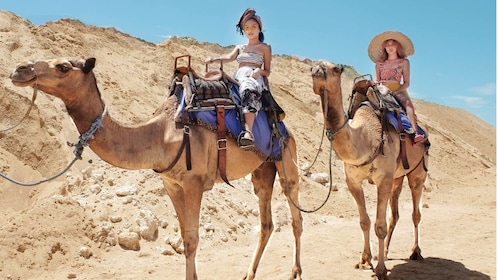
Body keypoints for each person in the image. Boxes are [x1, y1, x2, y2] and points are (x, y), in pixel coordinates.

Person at [205, 8, 272, 148]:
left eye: (253, 27)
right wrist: (214, 59)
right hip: (238, 76)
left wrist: (259, 71)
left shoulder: (264, 48)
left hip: (253, 77)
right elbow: (228, 58)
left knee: (247, 88)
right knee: (214, 80)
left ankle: (248, 132)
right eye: (246, 28)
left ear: (260, 28)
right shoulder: (240, 47)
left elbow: (268, 71)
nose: (250, 30)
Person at [368, 31, 424, 143]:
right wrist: (378, 86)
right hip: (381, 89)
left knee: (408, 104)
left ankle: (414, 132)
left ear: (397, 46)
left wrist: (396, 91)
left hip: (398, 89)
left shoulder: (404, 62)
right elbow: (377, 80)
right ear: (384, 47)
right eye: (387, 45)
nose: (390, 47)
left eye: (392, 44)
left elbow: (407, 83)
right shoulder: (379, 64)